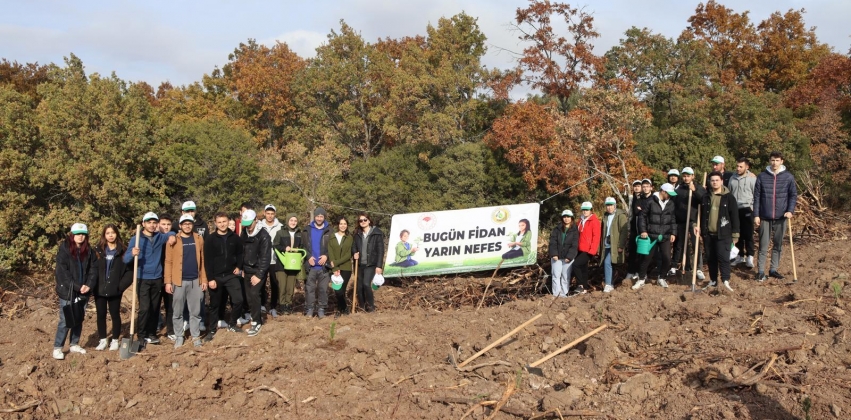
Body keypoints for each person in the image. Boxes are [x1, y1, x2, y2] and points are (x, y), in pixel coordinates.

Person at [123, 212, 175, 345]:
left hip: (157, 278)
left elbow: (170, 233)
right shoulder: (136, 239)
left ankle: (151, 334)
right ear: (143, 224)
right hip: (142, 277)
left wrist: (172, 235)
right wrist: (132, 254)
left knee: (155, 308)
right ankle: (141, 335)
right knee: (145, 308)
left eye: (154, 223)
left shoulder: (159, 237)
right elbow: (125, 259)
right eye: (149, 222)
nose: (152, 225)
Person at [53, 223, 98, 360]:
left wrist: (89, 285)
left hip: (83, 291)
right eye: (78, 234)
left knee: (79, 317)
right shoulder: (64, 250)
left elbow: (93, 269)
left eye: (83, 234)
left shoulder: (89, 251)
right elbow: (62, 273)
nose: (80, 236)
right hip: (67, 291)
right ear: (72, 235)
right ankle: (58, 347)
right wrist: (78, 286)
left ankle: (74, 344)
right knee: (65, 319)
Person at [164, 215, 208, 348]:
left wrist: (204, 279)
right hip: (179, 281)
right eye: (184, 224)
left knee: (195, 311)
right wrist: (168, 281)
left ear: (192, 225)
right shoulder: (173, 240)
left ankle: (195, 336)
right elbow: (168, 261)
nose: (187, 226)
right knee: (177, 311)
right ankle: (179, 336)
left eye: (189, 223)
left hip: (195, 280)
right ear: (180, 225)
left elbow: (202, 260)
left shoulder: (199, 239)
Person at [753, 151, 797, 282]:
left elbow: (793, 195)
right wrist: (756, 215)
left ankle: (773, 270)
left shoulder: (788, 177)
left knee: (778, 244)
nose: (774, 163)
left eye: (777, 160)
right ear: (769, 161)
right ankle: (760, 271)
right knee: (763, 245)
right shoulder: (762, 176)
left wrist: (790, 210)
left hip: (781, 216)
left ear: (782, 161)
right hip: (765, 216)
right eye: (772, 160)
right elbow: (756, 197)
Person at [204, 212, 245, 342]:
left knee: (238, 300)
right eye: (219, 222)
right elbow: (208, 260)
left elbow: (240, 254)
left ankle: (232, 324)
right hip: (216, 277)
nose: (222, 224)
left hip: (230, 275)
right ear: (215, 223)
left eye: (224, 221)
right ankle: (211, 329)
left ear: (228, 222)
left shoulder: (235, 238)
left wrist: (239, 266)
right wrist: (210, 279)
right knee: (215, 304)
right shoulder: (210, 239)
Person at [700, 171, 740, 292]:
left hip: (724, 234)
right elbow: (701, 214)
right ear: (709, 182)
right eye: (712, 180)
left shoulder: (729, 197)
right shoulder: (706, 197)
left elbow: (735, 217)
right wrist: (698, 226)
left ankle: (725, 281)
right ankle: (713, 281)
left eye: (717, 180)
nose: (715, 182)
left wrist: (735, 234)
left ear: (722, 181)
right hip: (708, 234)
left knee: (723, 258)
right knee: (711, 259)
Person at [632, 183, 678, 290]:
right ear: (663, 191)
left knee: (667, 258)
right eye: (669, 193)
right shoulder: (650, 201)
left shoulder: (670, 203)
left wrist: (673, 233)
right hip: (651, 235)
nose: (670, 196)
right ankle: (642, 279)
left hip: (665, 235)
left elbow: (672, 219)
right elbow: (642, 216)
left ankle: (661, 277)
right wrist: (643, 230)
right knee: (646, 258)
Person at [93, 224, 131, 351]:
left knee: (115, 314)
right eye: (108, 233)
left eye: (113, 233)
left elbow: (130, 272)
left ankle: (115, 340)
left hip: (115, 289)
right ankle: (103, 339)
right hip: (99, 289)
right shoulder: (98, 251)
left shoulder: (123, 251)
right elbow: (92, 269)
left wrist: (120, 287)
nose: (110, 235)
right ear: (104, 235)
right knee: (101, 314)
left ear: (117, 234)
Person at [672, 167, 707, 279]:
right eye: (684, 176)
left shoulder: (699, 188)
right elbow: (674, 205)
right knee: (680, 244)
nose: (686, 178)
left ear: (693, 176)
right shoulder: (678, 190)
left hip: (693, 222)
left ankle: (699, 269)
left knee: (696, 244)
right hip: (681, 221)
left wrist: (695, 191)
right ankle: (685, 267)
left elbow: (704, 201)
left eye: (688, 176)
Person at [240, 209, 271, 336]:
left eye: (250, 223)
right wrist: (242, 268)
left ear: (255, 220)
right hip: (246, 270)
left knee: (254, 294)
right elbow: (241, 251)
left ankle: (257, 322)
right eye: (246, 223)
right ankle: (254, 317)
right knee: (248, 297)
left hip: (258, 270)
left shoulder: (264, 235)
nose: (248, 226)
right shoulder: (244, 233)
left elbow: (265, 257)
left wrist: (259, 275)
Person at [352, 212, 384, 312]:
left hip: (371, 264)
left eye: (365, 220)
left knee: (366, 284)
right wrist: (354, 253)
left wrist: (379, 265)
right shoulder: (357, 234)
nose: (363, 222)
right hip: (360, 264)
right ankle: (362, 307)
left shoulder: (377, 233)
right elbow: (354, 246)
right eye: (360, 220)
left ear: (369, 221)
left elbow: (381, 250)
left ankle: (371, 307)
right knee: (359, 287)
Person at [303, 207, 331, 318]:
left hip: (324, 266)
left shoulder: (329, 230)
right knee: (309, 289)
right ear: (314, 217)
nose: (319, 218)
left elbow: (332, 247)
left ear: (324, 217)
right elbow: (302, 246)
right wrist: (308, 256)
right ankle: (309, 309)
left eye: (321, 216)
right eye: (317, 216)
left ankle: (321, 309)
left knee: (323, 289)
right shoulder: (307, 230)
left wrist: (326, 256)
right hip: (311, 265)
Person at [729, 157, 756, 268]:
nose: (738, 168)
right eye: (737, 166)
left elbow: (756, 194)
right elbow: (729, 194)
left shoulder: (752, 178)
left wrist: (753, 207)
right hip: (735, 210)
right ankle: (740, 256)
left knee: (748, 234)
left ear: (747, 167)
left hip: (747, 208)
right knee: (737, 234)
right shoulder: (732, 178)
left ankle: (750, 256)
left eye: (741, 166)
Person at [273, 213, 303, 315]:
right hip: (282, 264)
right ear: (287, 221)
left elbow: (302, 247)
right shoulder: (280, 232)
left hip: (293, 264)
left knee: (290, 286)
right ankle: (281, 305)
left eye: (295, 221)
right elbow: (275, 245)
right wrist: (284, 248)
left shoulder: (299, 234)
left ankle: (288, 305)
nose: (293, 223)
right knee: (282, 286)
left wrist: (298, 250)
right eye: (291, 220)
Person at [599, 198, 628, 293]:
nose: (609, 207)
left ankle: (608, 284)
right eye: (608, 205)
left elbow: (624, 231)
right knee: (608, 263)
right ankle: (610, 284)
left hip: (615, 244)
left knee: (607, 262)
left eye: (611, 205)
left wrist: (621, 245)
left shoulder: (620, 215)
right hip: (606, 243)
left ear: (615, 205)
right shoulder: (605, 216)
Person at [258, 204, 283, 317]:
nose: (270, 216)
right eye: (268, 213)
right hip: (262, 260)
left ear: (275, 214)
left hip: (275, 260)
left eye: (272, 214)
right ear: (264, 213)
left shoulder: (280, 227)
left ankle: (273, 307)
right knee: (261, 283)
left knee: (274, 284)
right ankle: (262, 305)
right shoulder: (259, 225)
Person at [327, 216, 354, 316]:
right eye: (341, 224)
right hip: (334, 269)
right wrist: (335, 268)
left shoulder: (350, 238)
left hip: (346, 268)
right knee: (337, 290)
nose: (343, 226)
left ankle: (339, 310)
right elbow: (331, 253)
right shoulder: (332, 237)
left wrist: (337, 262)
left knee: (342, 290)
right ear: (338, 225)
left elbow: (349, 254)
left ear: (347, 225)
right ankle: (344, 308)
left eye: (345, 224)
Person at [549, 210, 578, 298]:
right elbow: (552, 242)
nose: (566, 219)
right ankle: (556, 293)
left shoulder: (575, 230)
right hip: (556, 257)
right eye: (564, 217)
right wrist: (554, 254)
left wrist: (569, 256)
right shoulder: (557, 229)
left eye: (568, 217)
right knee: (556, 275)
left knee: (566, 276)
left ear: (571, 218)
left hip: (568, 257)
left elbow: (575, 245)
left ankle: (564, 293)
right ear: (562, 218)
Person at [572, 202, 600, 295]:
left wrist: (593, 250)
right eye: (584, 209)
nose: (585, 211)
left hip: (588, 250)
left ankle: (580, 285)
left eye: (587, 210)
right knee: (583, 268)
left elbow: (596, 236)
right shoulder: (580, 220)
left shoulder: (594, 221)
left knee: (576, 264)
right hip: (579, 248)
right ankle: (585, 288)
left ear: (591, 210)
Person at [157, 214, 176, 341]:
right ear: (158, 224)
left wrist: (172, 234)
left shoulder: (173, 239)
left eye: (168, 224)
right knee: (154, 305)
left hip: (170, 277)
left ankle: (171, 330)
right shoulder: (154, 237)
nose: (166, 227)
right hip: (156, 276)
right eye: (163, 224)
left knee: (171, 305)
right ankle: (155, 326)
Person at [625, 180, 644, 281]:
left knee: (640, 252)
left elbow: (640, 211)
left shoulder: (644, 197)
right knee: (632, 250)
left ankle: (638, 272)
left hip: (642, 228)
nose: (637, 188)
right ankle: (630, 271)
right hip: (633, 227)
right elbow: (632, 212)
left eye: (638, 186)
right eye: (635, 186)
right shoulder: (632, 198)